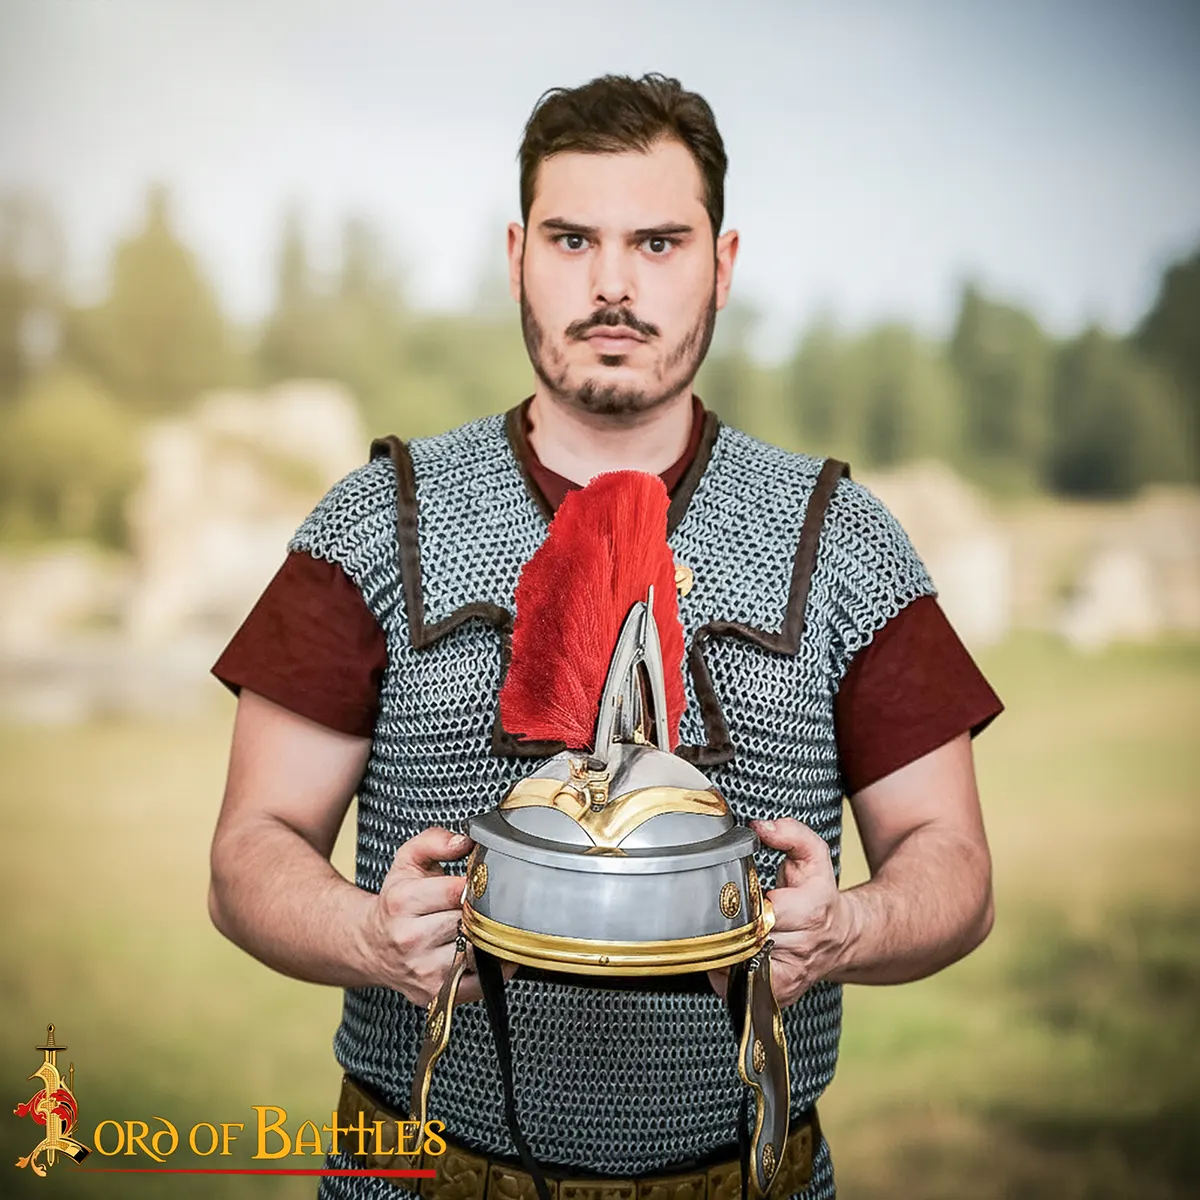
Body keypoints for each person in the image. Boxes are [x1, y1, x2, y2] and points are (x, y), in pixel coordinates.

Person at [208, 73, 1001, 1200]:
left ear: (721, 265)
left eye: (660, 243)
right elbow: (249, 850)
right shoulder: (377, 524)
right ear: (516, 253)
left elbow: (955, 865)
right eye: (573, 239)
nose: (615, 284)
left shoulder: (842, 541)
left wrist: (851, 929)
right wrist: (364, 932)